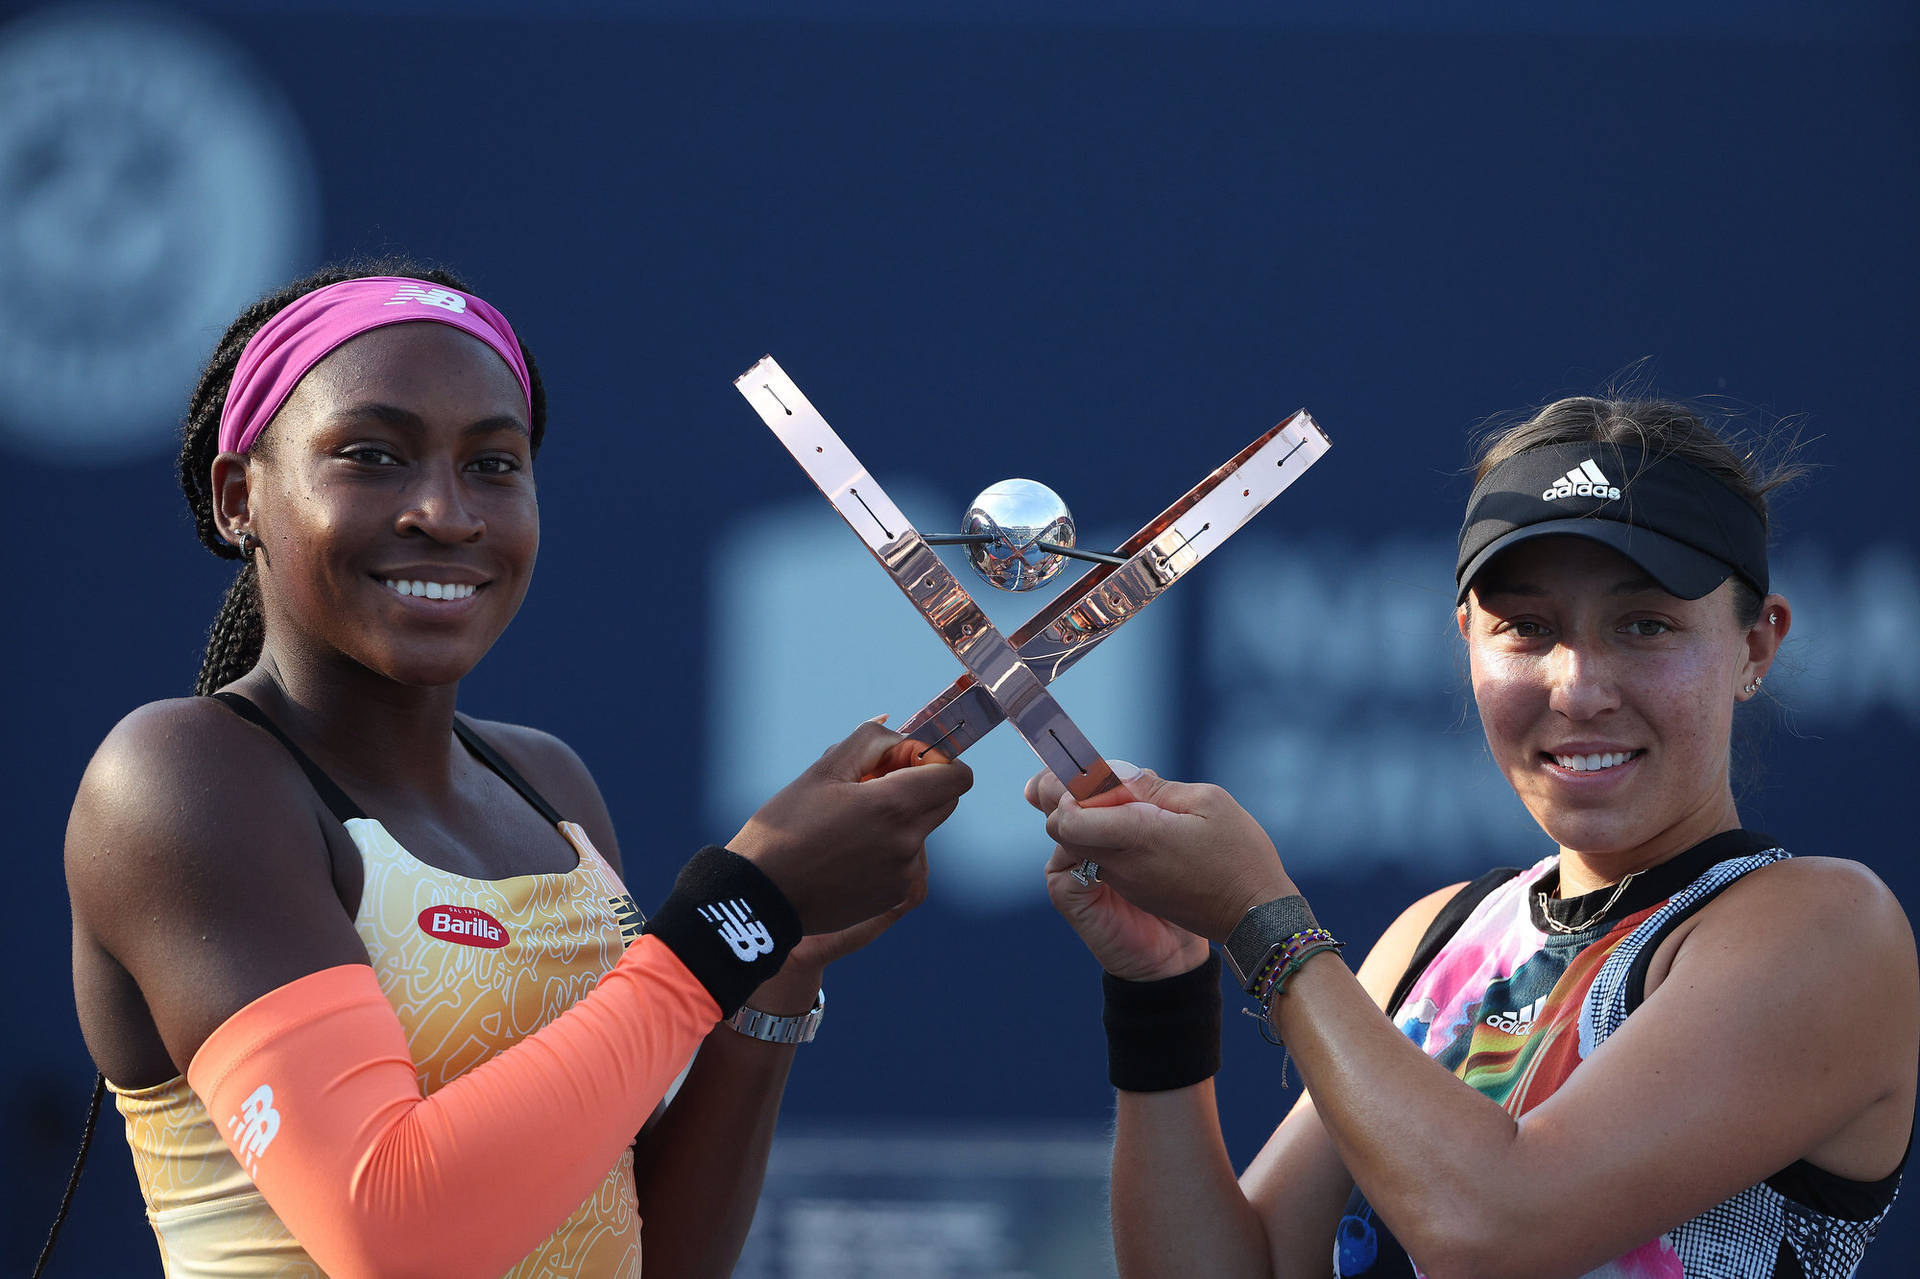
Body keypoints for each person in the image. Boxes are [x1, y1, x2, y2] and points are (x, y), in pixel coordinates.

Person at [61, 262, 974, 1279]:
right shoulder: (181, 779)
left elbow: (645, 1255)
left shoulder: (549, 787)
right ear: (241, 497)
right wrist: (729, 919)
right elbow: (392, 1234)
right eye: (371, 455)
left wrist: (774, 965)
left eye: (494, 465)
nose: (445, 511)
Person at [1026, 397, 1917, 1279]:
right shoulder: (1435, 937)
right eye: (1527, 628)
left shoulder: (1829, 929)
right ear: (1467, 641)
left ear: (1756, 646)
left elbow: (1492, 1230)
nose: (1578, 687)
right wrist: (1164, 986)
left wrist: (1263, 922)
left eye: (1645, 624)